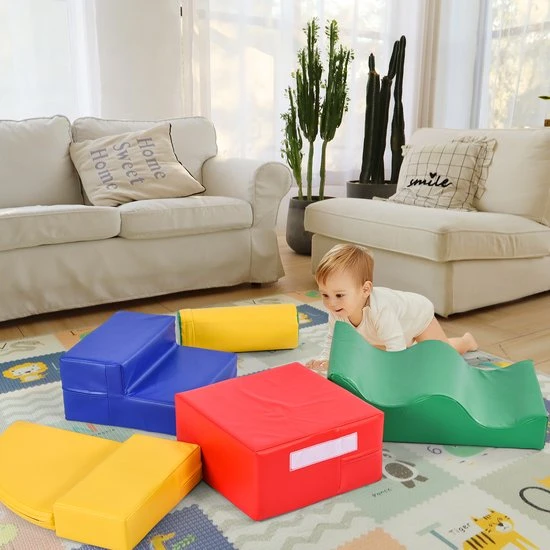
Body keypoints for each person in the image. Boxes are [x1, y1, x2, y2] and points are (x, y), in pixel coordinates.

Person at [306, 243, 478, 372]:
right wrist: (324, 359)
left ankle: (466, 341)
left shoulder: (380, 310)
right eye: (325, 295)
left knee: (441, 359)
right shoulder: (338, 310)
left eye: (339, 295)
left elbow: (396, 350)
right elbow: (333, 338)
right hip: (387, 332)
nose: (331, 303)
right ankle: (413, 349)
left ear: (365, 290)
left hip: (418, 318)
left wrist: (393, 377)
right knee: (375, 358)